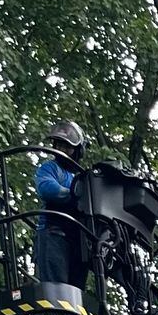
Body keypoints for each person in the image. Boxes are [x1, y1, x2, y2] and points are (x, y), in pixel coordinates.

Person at [32, 117, 88, 292]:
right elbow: (47, 188)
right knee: (56, 289)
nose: (62, 150)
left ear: (78, 150)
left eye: (67, 146)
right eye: (58, 145)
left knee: (76, 291)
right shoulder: (49, 168)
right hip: (53, 232)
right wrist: (74, 194)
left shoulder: (83, 177)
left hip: (78, 239)